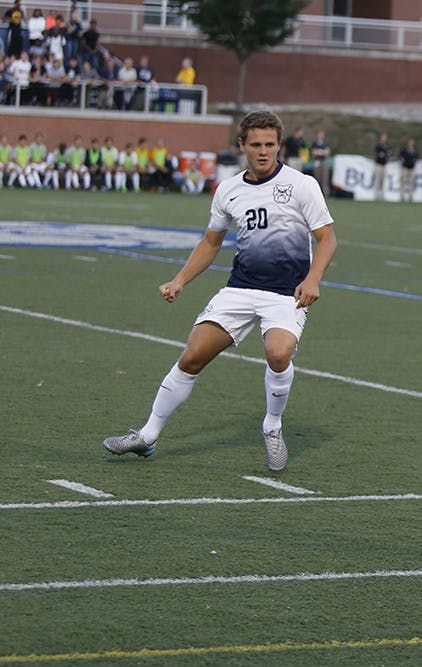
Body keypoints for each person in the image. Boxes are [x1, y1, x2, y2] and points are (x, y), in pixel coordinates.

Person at [103, 109, 338, 472]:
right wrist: (180, 280)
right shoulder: (228, 189)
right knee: (192, 356)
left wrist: (313, 279)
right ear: (241, 145)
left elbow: (327, 239)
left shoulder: (302, 184)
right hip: (240, 289)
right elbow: (211, 243)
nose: (263, 151)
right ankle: (147, 436)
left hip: (286, 294)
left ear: (280, 146)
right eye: (256, 144)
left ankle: (272, 426)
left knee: (278, 354)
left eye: (270, 145)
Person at [310, 129, 331, 197]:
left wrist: (319, 152)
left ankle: (325, 194)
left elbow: (327, 153)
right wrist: (321, 152)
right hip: (316, 162)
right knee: (317, 178)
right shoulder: (314, 143)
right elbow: (313, 152)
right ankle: (317, 194)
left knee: (324, 178)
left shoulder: (325, 143)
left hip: (323, 162)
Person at [398, 137, 419, 202]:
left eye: (412, 142)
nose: (411, 143)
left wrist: (414, 162)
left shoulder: (415, 150)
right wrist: (403, 162)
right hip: (405, 168)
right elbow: (400, 156)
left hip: (412, 168)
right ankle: (402, 197)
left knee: (411, 183)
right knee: (403, 181)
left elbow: (417, 157)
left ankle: (410, 197)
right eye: (410, 142)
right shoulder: (404, 149)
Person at [373, 132, 390, 200]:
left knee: (383, 181)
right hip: (378, 165)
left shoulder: (387, 146)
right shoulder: (378, 145)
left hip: (384, 165)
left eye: (385, 138)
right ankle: (376, 195)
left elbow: (388, 153)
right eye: (383, 138)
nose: (384, 139)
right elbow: (379, 152)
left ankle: (382, 195)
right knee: (378, 180)